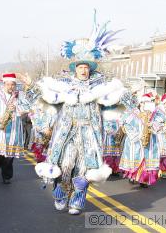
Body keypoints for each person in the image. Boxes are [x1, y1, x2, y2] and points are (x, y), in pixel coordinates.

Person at [28, 17, 135, 215]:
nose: (84, 70)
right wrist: (44, 123)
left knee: (86, 168)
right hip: (67, 131)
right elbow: (45, 99)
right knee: (65, 164)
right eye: (80, 67)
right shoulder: (64, 85)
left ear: (90, 69)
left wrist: (127, 101)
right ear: (75, 68)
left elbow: (119, 101)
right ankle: (60, 192)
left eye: (86, 67)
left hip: (90, 133)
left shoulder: (100, 86)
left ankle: (78, 198)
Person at [0, 73, 30, 185]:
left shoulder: (20, 96)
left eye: (13, 84)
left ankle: (7, 176)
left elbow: (27, 107)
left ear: (15, 85)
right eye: (8, 84)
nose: (10, 87)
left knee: (9, 156)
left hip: (13, 129)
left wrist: (17, 108)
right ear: (4, 84)